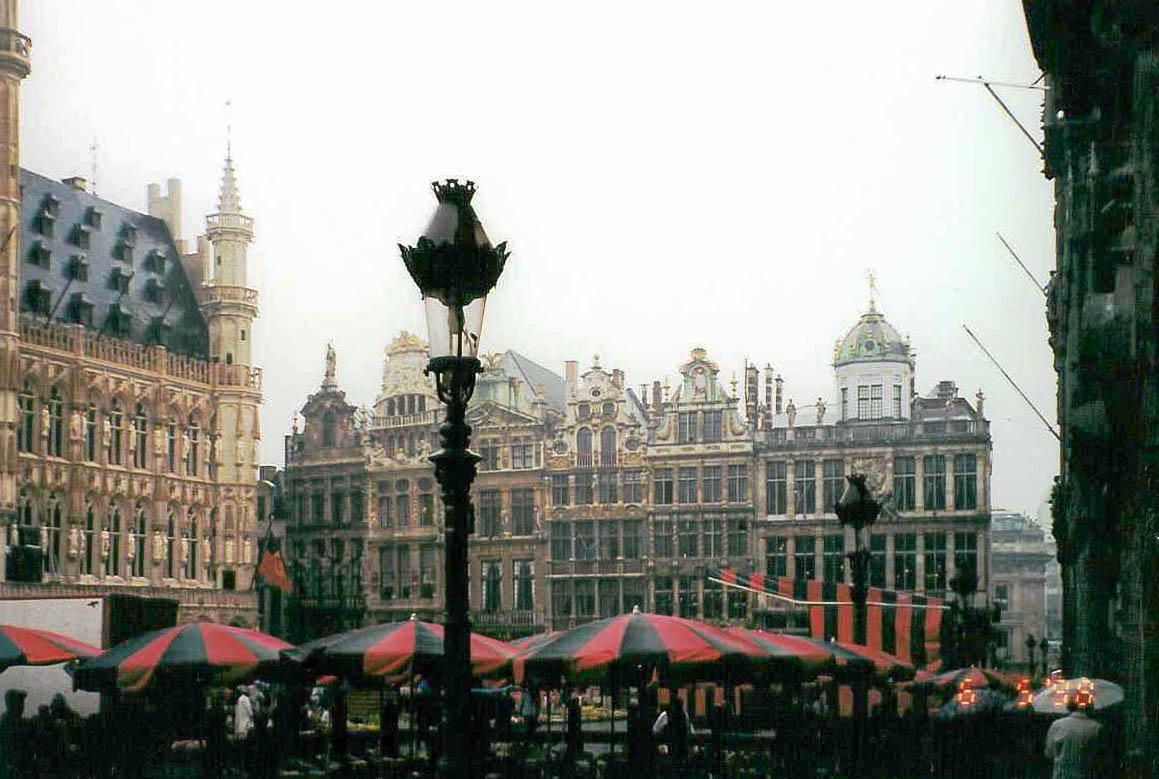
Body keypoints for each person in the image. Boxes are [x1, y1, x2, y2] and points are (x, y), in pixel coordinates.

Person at [1044, 695, 1103, 779]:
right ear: (1090, 707)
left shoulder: (1057, 725)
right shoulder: (1097, 728)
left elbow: (1049, 753)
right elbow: (1099, 757)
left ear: (1070, 706)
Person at [652, 695, 693, 762]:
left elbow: (655, 730)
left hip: (669, 748)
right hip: (681, 748)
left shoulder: (666, 715)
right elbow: (689, 730)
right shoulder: (685, 715)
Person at [0, 689, 27, 779]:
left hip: (19, 765)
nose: (22, 706)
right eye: (19, 702)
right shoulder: (6, 722)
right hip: (9, 766)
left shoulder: (20, 721)